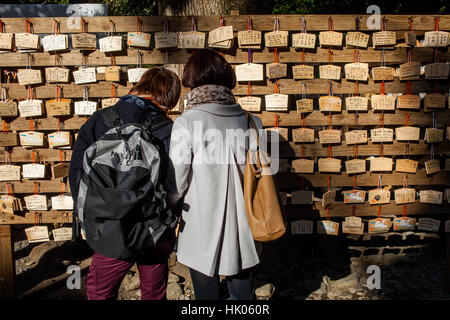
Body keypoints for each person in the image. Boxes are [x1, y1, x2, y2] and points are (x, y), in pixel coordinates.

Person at [68, 67, 181, 300]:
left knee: (100, 292)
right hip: (154, 229)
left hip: (110, 227)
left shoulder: (100, 120)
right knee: (153, 293)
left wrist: (90, 217)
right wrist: (169, 220)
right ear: (169, 97)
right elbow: (176, 183)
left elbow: (77, 173)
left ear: (140, 86)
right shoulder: (168, 129)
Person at [168, 49, 263, 300]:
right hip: (246, 219)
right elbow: (260, 170)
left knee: (206, 297)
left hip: (198, 220)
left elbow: (177, 180)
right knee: (244, 295)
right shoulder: (251, 121)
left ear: (191, 79)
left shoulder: (186, 123)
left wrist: (169, 207)